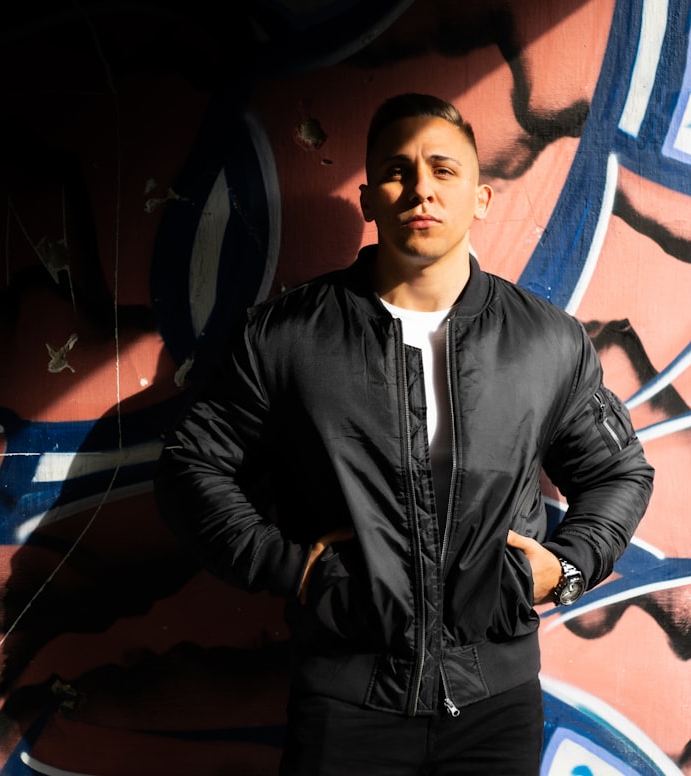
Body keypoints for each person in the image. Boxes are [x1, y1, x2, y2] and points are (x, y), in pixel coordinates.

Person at [154, 93, 654, 775]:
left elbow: (618, 473)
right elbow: (191, 466)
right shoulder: (289, 334)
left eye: (444, 171)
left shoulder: (543, 341)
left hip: (495, 705)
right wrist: (289, 566)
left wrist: (564, 568)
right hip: (345, 703)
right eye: (398, 170)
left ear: (480, 197)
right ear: (367, 199)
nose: (421, 188)